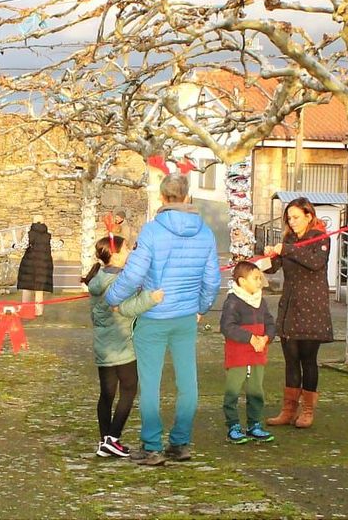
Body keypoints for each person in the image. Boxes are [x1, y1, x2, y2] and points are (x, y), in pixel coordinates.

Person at [105, 174, 221, 466]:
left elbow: (132, 274)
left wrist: (112, 297)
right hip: (184, 316)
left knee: (151, 382)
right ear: (186, 196)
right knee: (187, 381)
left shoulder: (152, 231)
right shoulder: (205, 233)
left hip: (154, 316)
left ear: (162, 197)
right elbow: (212, 279)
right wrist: (201, 307)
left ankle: (152, 445)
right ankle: (181, 442)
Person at [83, 234, 162, 458]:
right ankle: (113, 437)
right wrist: (151, 298)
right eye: (126, 248)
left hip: (103, 343)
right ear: (115, 254)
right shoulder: (119, 281)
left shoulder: (99, 277)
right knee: (128, 389)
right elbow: (128, 308)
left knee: (107, 393)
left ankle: (105, 441)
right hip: (122, 342)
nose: (130, 252)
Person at [260, 196, 332, 429]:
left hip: (313, 309)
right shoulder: (289, 240)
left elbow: (315, 263)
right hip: (290, 307)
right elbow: (273, 267)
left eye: (296, 217)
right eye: (289, 218)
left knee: (308, 360)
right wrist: (265, 257)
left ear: (309, 216)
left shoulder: (320, 238)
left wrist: (287, 249)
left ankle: (308, 410)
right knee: (291, 361)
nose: (292, 222)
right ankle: (288, 410)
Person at [219, 260, 277, 444]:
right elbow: (227, 327)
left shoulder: (261, 301)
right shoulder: (233, 301)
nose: (260, 282)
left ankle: (255, 424)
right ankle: (233, 426)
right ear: (242, 281)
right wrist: (251, 338)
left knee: (256, 391)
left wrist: (266, 338)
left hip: (258, 354)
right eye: (256, 278)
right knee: (233, 391)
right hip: (238, 355)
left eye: (260, 278)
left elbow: (269, 323)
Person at [16, 216, 54, 317]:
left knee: (27, 287)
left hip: (29, 263)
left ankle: (25, 310)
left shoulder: (29, 234)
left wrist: (14, 245)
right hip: (43, 263)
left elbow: (23, 246)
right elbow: (55, 245)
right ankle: (38, 311)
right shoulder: (48, 235)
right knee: (39, 288)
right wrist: (62, 242)